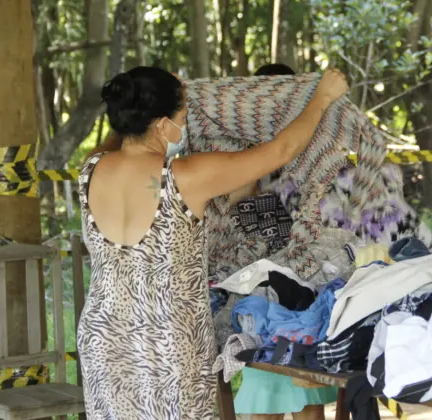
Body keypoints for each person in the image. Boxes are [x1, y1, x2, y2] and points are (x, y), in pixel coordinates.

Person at [77, 65, 348, 419]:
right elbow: (281, 150)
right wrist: (322, 97)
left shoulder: (91, 168)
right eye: (183, 114)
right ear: (161, 124)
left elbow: (127, 145)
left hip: (104, 336)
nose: (185, 124)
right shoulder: (184, 177)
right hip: (168, 341)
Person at [230, 63, 339, 420]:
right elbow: (239, 209)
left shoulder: (315, 146)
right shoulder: (244, 151)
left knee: (305, 388)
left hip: (308, 290)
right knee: (266, 388)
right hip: (263, 294)